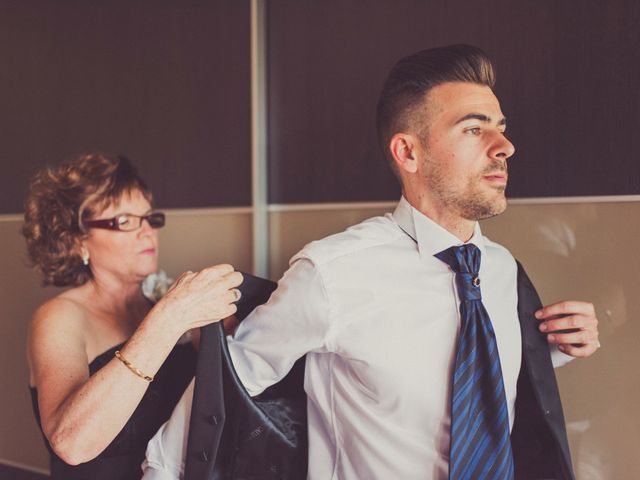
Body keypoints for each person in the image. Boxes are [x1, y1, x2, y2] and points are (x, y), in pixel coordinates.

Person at [143, 45, 600, 479]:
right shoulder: (333, 273)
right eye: (474, 129)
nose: (505, 146)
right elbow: (220, 391)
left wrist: (550, 350)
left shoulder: (501, 271)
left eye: (501, 127)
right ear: (408, 153)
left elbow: (470, 381)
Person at [23, 153, 243, 480]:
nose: (146, 232)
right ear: (76, 242)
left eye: (148, 218)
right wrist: (169, 319)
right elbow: (71, 443)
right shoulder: (59, 316)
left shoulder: (165, 301)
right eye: (124, 221)